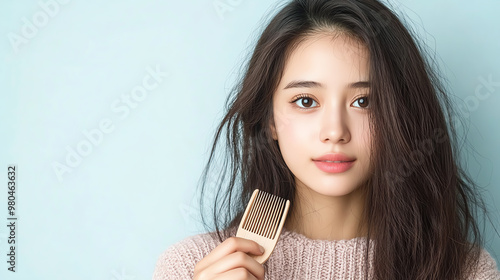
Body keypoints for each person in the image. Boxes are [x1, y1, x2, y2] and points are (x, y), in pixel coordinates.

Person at [152, 0, 500, 279]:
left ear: (400, 116)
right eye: (306, 102)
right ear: (270, 119)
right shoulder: (190, 267)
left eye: (364, 102)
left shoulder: (464, 271)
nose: (335, 131)